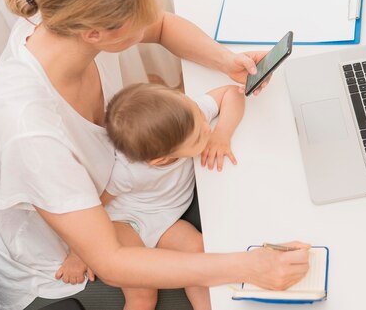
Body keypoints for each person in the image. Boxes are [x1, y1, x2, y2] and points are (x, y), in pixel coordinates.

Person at [0, 0, 309, 310]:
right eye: (139, 13)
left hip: (114, 204)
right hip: (61, 273)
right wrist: (248, 267)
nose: (151, 17)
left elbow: (161, 26)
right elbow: (110, 260)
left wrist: (225, 59)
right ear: (97, 32)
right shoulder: (28, 131)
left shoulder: (62, 17)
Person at [56, 82, 245, 310]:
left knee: (199, 251)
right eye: (197, 139)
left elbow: (231, 92)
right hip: (125, 224)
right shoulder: (128, 172)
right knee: (143, 296)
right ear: (162, 160)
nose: (206, 128)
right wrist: (78, 253)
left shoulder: (189, 118)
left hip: (165, 220)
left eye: (203, 122)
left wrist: (221, 134)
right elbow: (92, 209)